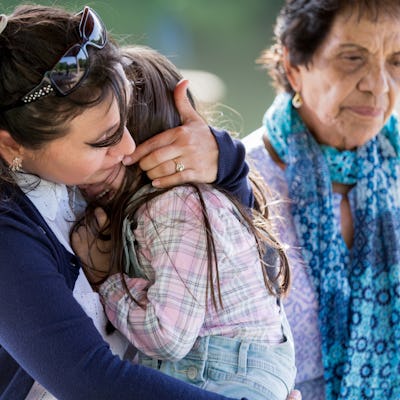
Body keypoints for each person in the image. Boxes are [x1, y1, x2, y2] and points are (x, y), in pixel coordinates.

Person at [0, 5, 255, 399]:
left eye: (125, 122)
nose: (129, 147)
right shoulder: (9, 235)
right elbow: (91, 380)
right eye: (103, 140)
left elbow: (246, 272)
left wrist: (223, 162)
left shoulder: (93, 168)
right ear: (11, 144)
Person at [71, 45, 297, 400]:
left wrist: (105, 279)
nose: (92, 160)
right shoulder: (178, 201)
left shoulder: (173, 208)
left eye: (106, 139)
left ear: (151, 147)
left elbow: (167, 336)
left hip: (223, 373)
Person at [242, 1, 400, 400]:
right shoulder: (237, 184)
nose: (379, 85)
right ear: (294, 67)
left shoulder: (394, 163)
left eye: (397, 61)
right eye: (352, 58)